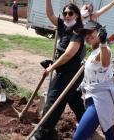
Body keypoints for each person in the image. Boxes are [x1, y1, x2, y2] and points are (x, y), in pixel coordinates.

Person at [33, 1, 86, 139]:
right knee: (73, 98)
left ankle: (42, 134)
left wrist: (52, 67)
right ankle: (87, 124)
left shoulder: (78, 32)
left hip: (71, 73)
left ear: (77, 15)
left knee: (53, 100)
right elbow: (50, 14)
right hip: (63, 70)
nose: (67, 16)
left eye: (70, 13)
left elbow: (68, 54)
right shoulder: (64, 26)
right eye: (65, 13)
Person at [73, 21, 114, 140]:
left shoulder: (104, 49)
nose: (87, 36)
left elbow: (105, 62)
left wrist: (103, 43)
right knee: (109, 132)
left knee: (78, 137)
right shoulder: (94, 51)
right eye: (85, 34)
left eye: (90, 32)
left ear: (99, 32)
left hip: (99, 101)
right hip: (93, 98)